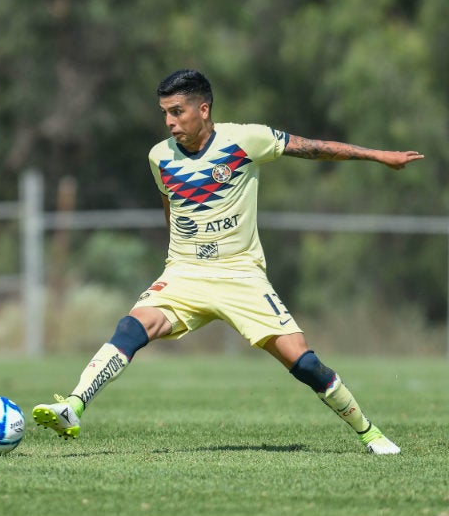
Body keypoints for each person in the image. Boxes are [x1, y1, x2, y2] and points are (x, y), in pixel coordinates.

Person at [33, 68, 424, 454]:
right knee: (133, 326)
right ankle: (73, 405)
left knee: (303, 362)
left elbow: (314, 147)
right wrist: (177, 258)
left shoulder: (246, 140)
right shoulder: (159, 157)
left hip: (240, 275)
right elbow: (171, 205)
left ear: (203, 109)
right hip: (185, 273)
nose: (170, 122)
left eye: (177, 111)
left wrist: (379, 156)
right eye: (165, 113)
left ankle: (370, 433)